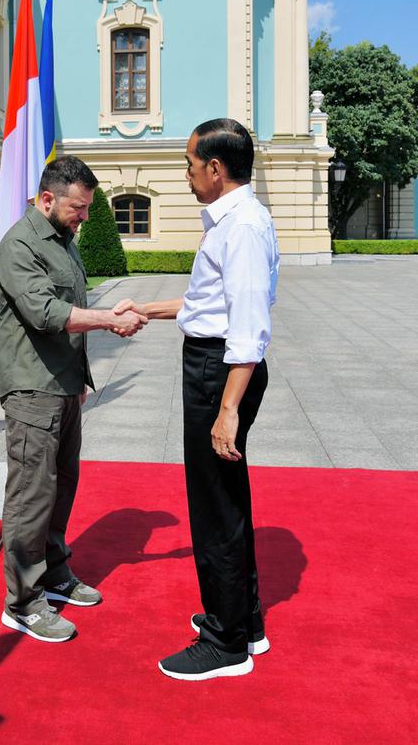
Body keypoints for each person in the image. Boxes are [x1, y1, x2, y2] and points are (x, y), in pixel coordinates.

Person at [114, 118, 279, 681]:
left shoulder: (244, 227)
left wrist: (227, 410)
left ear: (215, 168)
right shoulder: (231, 222)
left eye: (189, 164)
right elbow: (205, 301)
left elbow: (248, 326)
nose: (185, 174)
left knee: (213, 505)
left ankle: (226, 641)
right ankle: (244, 621)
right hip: (214, 364)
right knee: (224, 497)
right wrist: (146, 309)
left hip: (222, 373)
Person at [0, 155, 147, 643]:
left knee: (61, 488)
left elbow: (73, 305)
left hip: (62, 384)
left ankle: (54, 571)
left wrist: (80, 376)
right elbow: (44, 312)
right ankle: (22, 601)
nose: (85, 217)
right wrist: (108, 321)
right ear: (46, 199)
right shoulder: (18, 245)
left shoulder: (63, 240)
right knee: (30, 495)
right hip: (32, 387)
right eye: (78, 208)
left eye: (86, 208)